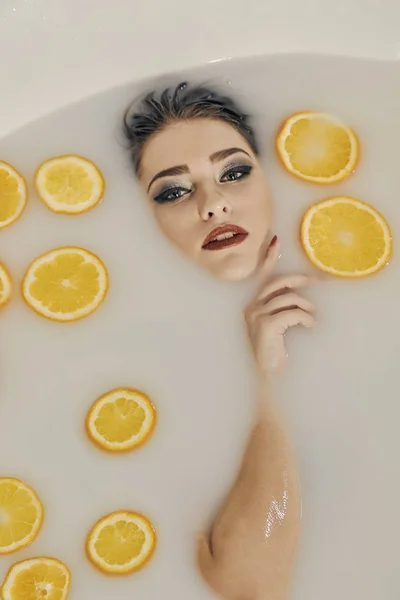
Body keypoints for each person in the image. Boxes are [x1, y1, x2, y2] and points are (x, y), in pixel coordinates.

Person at [124, 82, 315, 600]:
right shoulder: (140, 367)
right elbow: (246, 581)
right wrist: (266, 383)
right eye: (173, 191)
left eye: (234, 172)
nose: (214, 204)